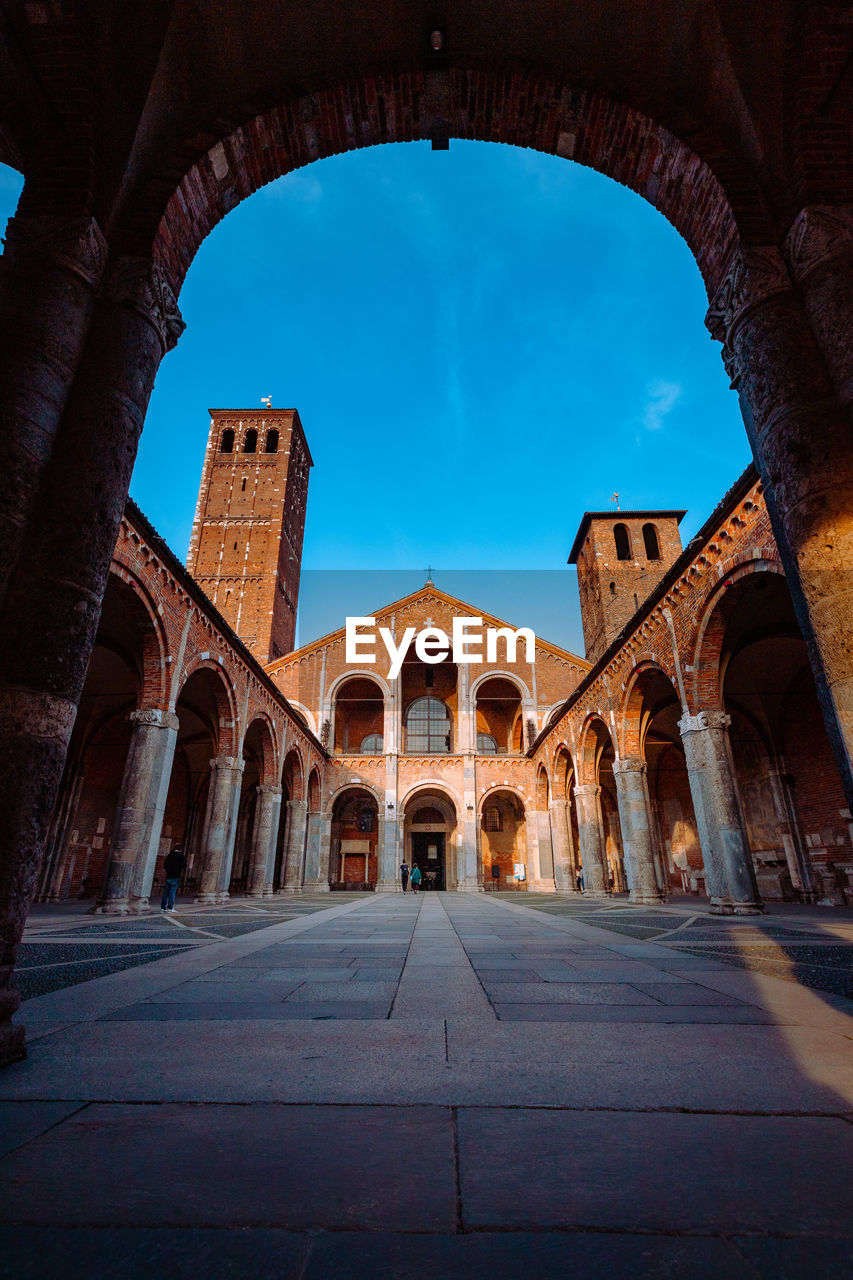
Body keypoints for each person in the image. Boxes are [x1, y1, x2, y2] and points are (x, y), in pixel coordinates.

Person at [160, 843, 186, 912]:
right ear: (181, 849)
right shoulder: (181, 856)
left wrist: (169, 870)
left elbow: (165, 865)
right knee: (172, 892)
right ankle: (170, 907)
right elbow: (184, 865)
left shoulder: (169, 855)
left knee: (165, 892)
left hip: (169, 875)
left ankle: (163, 907)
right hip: (176, 876)